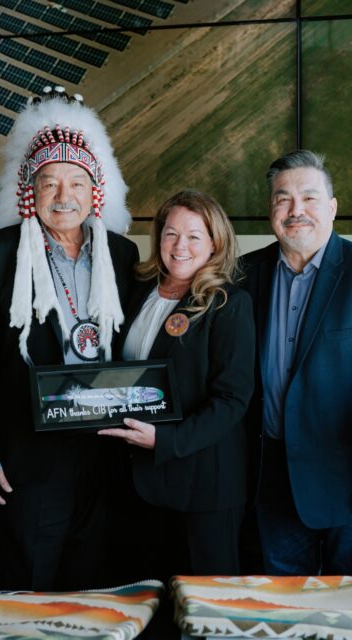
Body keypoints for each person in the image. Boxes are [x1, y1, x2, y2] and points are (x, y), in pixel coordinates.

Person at [0, 88, 139, 591]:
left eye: (76, 182)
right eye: (49, 183)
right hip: (28, 453)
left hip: (107, 449)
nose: (63, 196)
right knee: (28, 580)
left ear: (94, 191)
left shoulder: (123, 255)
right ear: (29, 189)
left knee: (96, 579)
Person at [240, 150, 352, 579]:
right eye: (283, 199)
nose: (296, 210)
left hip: (350, 480)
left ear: (333, 208)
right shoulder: (245, 274)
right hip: (269, 477)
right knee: (283, 605)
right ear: (270, 210)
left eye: (310, 198)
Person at [99, 189, 254, 580]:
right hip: (138, 481)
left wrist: (167, 441)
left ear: (215, 243)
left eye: (193, 236)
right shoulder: (138, 291)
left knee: (205, 608)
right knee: (147, 601)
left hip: (202, 484)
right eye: (170, 234)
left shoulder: (228, 304)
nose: (180, 245)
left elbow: (232, 400)